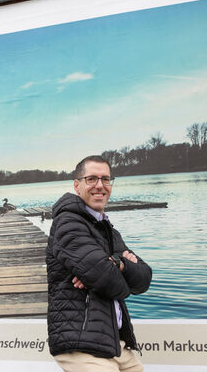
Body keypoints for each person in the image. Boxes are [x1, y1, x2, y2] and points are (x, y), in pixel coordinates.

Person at [46, 155, 152, 371]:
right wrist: (116, 270)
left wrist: (117, 264)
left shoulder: (108, 230)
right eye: (91, 178)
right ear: (77, 185)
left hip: (114, 342)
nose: (100, 186)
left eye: (106, 179)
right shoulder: (67, 223)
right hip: (82, 342)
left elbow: (144, 278)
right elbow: (107, 279)